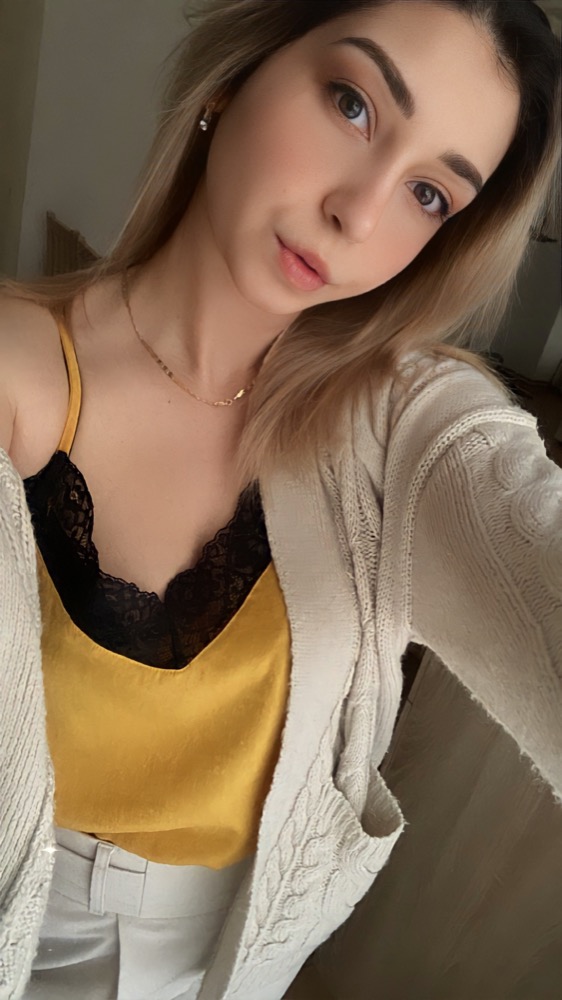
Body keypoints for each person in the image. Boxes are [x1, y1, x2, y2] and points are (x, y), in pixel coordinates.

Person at [0, 0, 560, 998]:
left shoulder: (403, 424)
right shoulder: (17, 366)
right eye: (352, 103)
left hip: (240, 962)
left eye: (428, 194)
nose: (360, 212)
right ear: (236, 75)